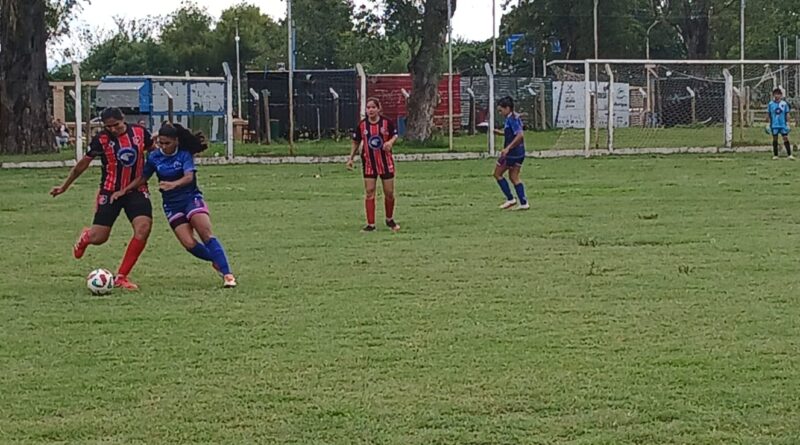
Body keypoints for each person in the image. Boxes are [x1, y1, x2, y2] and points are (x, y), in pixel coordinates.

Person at [112, 123, 238, 288]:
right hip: (172, 205)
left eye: (167, 143)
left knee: (205, 234)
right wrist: (124, 190)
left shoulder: (184, 155)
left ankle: (228, 275)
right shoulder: (154, 157)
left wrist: (173, 184)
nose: (163, 146)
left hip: (191, 199)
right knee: (189, 243)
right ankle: (216, 260)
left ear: (176, 141)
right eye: (161, 143)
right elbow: (143, 177)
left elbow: (189, 177)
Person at [50, 107, 153, 290]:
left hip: (136, 190)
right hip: (110, 191)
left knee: (143, 228)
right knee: (99, 238)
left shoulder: (140, 132)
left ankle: (121, 277)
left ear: (123, 119)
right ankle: (86, 237)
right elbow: (82, 165)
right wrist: (64, 186)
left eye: (116, 125)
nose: (113, 129)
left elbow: (155, 153)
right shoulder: (101, 139)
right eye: (108, 126)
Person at [347, 97, 400, 232]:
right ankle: (371, 224)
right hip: (369, 163)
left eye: (373, 107)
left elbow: (395, 135)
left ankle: (389, 219)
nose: (370, 110)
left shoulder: (386, 122)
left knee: (389, 193)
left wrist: (390, 142)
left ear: (378, 109)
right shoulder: (362, 125)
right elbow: (356, 141)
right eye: (368, 107)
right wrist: (351, 158)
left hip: (385, 163)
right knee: (370, 192)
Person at [493, 96, 529, 210]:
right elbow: (513, 133)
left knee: (497, 174)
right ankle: (523, 203)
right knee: (514, 177)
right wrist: (501, 133)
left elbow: (520, 135)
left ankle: (510, 199)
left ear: (507, 108)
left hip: (512, 153)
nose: (500, 113)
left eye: (501, 110)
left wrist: (508, 148)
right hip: (520, 152)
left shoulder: (512, 118)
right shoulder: (514, 117)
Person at [767, 88, 794, 160]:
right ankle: (775, 155)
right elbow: (769, 114)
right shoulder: (771, 104)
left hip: (782, 125)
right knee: (775, 139)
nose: (777, 96)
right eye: (775, 94)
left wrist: (788, 123)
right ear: (773, 95)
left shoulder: (784, 104)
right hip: (774, 125)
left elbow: (787, 114)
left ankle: (789, 154)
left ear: (781, 95)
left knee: (785, 138)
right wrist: (768, 124)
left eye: (778, 94)